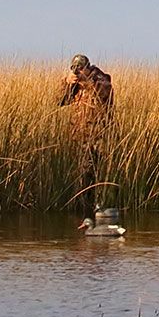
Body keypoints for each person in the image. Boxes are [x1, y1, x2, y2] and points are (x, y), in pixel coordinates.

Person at [58, 53, 114, 213]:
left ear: (88, 68)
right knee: (80, 176)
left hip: (98, 137)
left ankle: (95, 209)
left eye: (80, 69)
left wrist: (87, 82)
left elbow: (103, 94)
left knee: (95, 175)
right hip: (78, 137)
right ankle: (83, 209)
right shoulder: (76, 86)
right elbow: (59, 101)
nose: (77, 73)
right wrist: (66, 83)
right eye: (74, 70)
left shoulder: (101, 80)